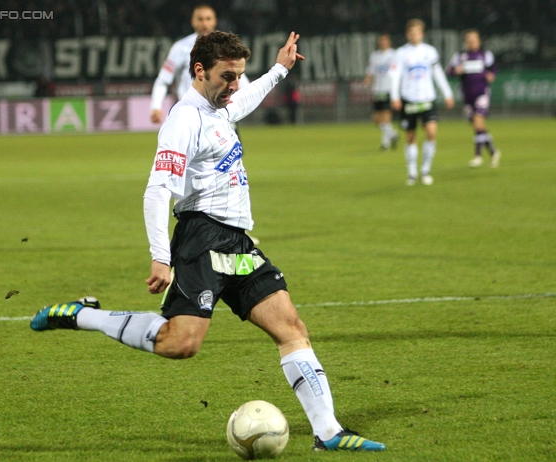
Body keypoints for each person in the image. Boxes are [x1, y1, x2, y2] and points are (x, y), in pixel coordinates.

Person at [31, 31, 386, 453]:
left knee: (291, 328)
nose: (235, 84)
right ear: (200, 71)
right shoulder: (184, 120)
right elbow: (158, 189)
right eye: (227, 76)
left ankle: (329, 432)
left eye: (238, 75)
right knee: (180, 344)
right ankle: (82, 315)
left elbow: (244, 100)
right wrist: (160, 257)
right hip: (201, 236)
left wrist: (279, 69)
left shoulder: (220, 105)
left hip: (236, 241)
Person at [149, 4, 260, 244]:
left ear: (214, 20)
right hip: (194, 117)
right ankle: (195, 224)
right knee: (186, 172)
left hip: (221, 114)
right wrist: (155, 105)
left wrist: (243, 99)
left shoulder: (226, 50)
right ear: (193, 21)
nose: (204, 23)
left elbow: (244, 82)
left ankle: (232, 223)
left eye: (209, 18)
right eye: (200, 18)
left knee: (232, 167)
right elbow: (163, 79)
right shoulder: (180, 48)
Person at [390, 19, 454, 186]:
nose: (414, 35)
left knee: (431, 133)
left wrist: (447, 93)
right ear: (407, 34)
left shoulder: (430, 52)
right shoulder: (401, 53)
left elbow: (438, 73)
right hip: (408, 98)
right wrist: (394, 96)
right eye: (411, 32)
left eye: (417, 32)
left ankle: (425, 170)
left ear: (422, 34)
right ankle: (412, 172)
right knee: (410, 136)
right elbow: (395, 76)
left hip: (427, 98)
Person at [447, 29, 501, 168]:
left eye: (474, 39)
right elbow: (449, 71)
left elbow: (493, 69)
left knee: (478, 122)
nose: (472, 42)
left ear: (479, 41)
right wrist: (455, 71)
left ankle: (478, 156)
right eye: (469, 40)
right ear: (466, 42)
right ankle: (493, 152)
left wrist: (491, 75)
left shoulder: (485, 55)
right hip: (467, 96)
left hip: (482, 93)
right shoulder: (460, 56)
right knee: (478, 126)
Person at [363, 33, 399, 150]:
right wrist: (367, 80)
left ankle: (385, 144)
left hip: (388, 89)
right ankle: (393, 134)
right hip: (377, 90)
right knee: (377, 120)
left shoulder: (394, 55)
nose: (383, 43)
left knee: (386, 117)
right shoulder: (375, 56)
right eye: (381, 41)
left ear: (389, 42)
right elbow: (371, 71)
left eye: (385, 41)